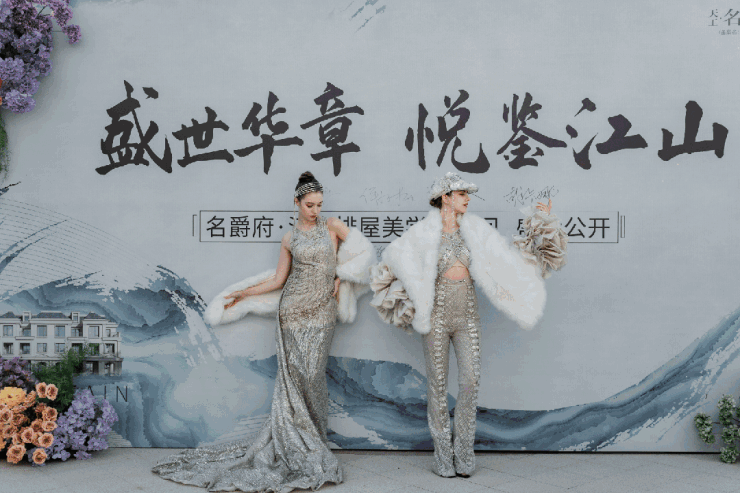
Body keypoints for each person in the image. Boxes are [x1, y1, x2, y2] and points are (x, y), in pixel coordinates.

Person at [153, 171, 375, 492]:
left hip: (322, 312)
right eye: (310, 205)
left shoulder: (332, 226)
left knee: (313, 375)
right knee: (294, 378)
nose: (315, 210)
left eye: (319, 204)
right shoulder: (289, 238)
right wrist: (243, 294)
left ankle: (314, 442)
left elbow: (363, 254)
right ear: (296, 202)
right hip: (292, 311)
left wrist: (342, 275)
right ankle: (301, 443)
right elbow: (278, 280)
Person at [370, 172, 567, 478]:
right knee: (437, 386)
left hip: (467, 318)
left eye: (467, 194)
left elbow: (509, 261)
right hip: (435, 320)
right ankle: (442, 456)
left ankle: (463, 453)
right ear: (446, 198)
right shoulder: (424, 234)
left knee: (470, 382)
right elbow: (395, 261)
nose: (467, 199)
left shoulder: (475, 232)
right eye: (462, 194)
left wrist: (540, 221)